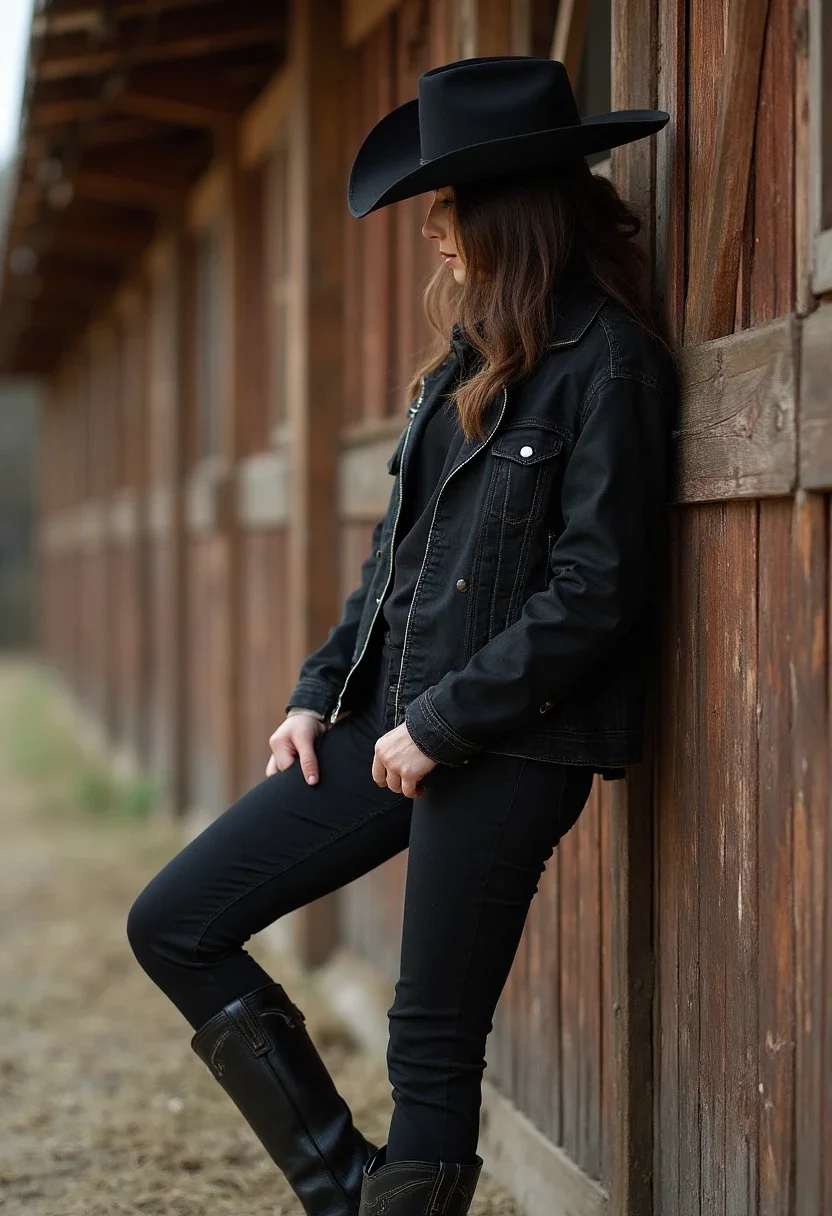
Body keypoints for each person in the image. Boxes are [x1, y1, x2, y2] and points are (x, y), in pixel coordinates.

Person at [127, 55, 676, 1216]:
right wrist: (317, 692)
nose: (431, 231)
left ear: (508, 210)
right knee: (174, 920)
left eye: (447, 204)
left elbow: (597, 589)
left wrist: (441, 723)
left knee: (429, 1044)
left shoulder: (609, 364)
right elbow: (394, 560)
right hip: (390, 714)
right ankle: (349, 1194)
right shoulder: (461, 364)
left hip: (513, 737)